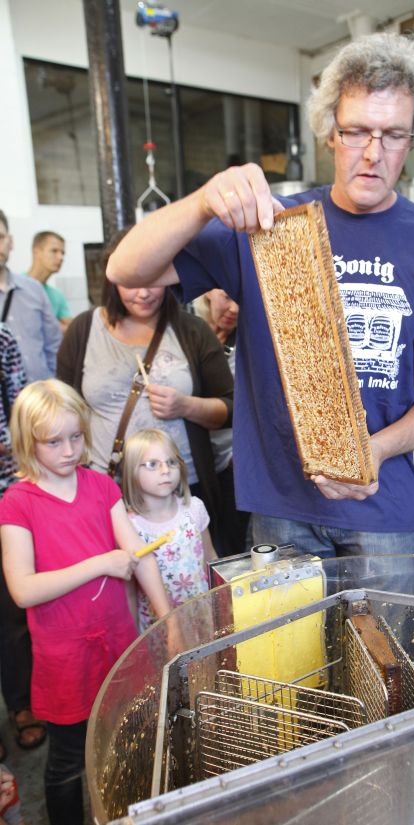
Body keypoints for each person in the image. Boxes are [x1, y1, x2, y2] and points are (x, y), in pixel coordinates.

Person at [106, 33, 414, 560]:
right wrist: (203, 201)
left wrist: (373, 451)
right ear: (330, 133)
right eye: (356, 131)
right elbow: (125, 267)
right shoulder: (269, 226)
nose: (373, 153)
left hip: (381, 511)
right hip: (280, 507)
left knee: (381, 621)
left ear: (412, 140)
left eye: (393, 135)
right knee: (288, 622)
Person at [0, 379, 173, 825]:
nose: (69, 450)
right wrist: (99, 564)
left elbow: (139, 556)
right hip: (64, 659)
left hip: (117, 642)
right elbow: (23, 589)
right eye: (53, 442)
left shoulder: (100, 486)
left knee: (126, 743)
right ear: (27, 442)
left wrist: (169, 619)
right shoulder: (17, 503)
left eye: (76, 437)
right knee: (68, 762)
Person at [57, 232, 234, 555]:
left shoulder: (192, 331)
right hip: (106, 489)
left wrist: (186, 406)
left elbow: (232, 409)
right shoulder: (83, 330)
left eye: (153, 280)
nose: (143, 293)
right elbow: (63, 408)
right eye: (131, 282)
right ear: (113, 278)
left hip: (178, 490)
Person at [0, 324, 46, 759]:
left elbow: (20, 407)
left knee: (13, 613)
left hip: (5, 492)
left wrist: (14, 446)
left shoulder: (3, 337)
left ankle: (21, 704)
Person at [122, 428, 216, 632]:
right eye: (152, 464)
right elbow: (129, 589)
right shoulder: (128, 526)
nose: (165, 470)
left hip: (202, 617)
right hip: (157, 628)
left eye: (171, 462)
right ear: (131, 471)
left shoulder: (194, 508)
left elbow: (210, 559)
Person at [193, 289, 250, 555]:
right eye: (227, 297)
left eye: (241, 298)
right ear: (207, 292)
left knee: (233, 545)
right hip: (197, 458)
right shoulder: (188, 331)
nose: (235, 308)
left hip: (235, 461)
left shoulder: (251, 336)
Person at [0, 211, 61, 382]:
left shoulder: (34, 290)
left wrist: (52, 384)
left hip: (40, 393)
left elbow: (53, 345)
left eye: (0, 237)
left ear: (10, 242)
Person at [27, 231, 72, 332]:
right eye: (54, 251)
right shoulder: (14, 286)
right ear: (36, 252)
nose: (61, 257)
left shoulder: (57, 295)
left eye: (63, 253)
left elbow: (71, 330)